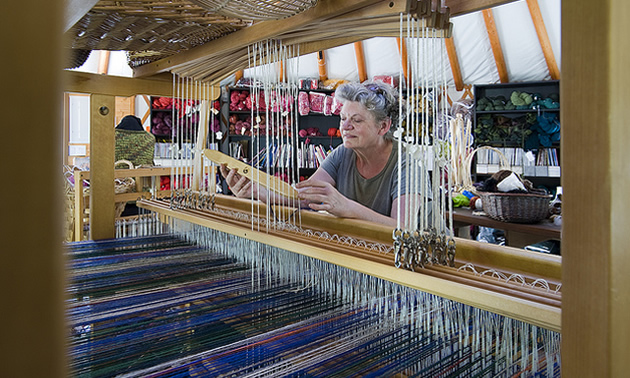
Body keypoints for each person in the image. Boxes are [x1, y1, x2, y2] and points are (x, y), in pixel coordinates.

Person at [220, 81, 425, 227]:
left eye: (357, 120)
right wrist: (256, 192)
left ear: (383, 126)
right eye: (343, 118)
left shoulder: (407, 164)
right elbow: (305, 197)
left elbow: (403, 229)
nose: (345, 126)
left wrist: (345, 207)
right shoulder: (343, 153)